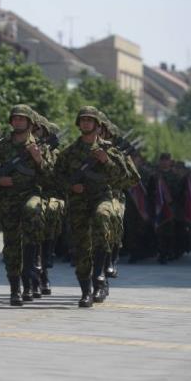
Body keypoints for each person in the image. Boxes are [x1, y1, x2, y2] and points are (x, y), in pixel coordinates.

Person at [54, 106, 126, 307]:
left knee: (103, 219)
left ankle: (100, 277)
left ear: (97, 125)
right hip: (78, 203)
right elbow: (56, 177)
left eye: (90, 120)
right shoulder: (69, 153)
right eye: (83, 120)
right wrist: (71, 186)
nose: (86, 123)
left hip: (102, 197)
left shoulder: (109, 150)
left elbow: (124, 178)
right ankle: (86, 290)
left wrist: (107, 161)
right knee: (81, 248)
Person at [0, 104, 51, 306]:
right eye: (15, 119)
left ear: (30, 123)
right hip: (8, 199)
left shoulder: (41, 147)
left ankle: (29, 281)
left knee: (31, 225)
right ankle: (15, 288)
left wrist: (38, 159)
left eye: (22, 119)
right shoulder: (0, 146)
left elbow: (52, 178)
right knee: (12, 244)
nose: (18, 122)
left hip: (31, 194)